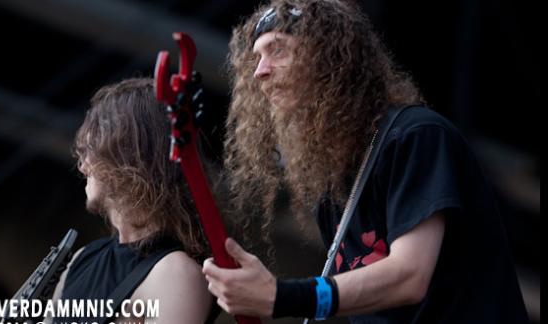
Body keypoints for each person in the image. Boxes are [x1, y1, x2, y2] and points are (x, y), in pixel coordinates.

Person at [202, 0, 530, 323]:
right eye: (257, 57)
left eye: (277, 50)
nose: (259, 72)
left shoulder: (415, 137)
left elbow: (409, 276)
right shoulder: (332, 179)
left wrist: (282, 297)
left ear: (326, 57)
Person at [45, 78, 215, 324]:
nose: (82, 166)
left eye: (91, 150)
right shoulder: (81, 260)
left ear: (126, 154)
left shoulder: (175, 273)